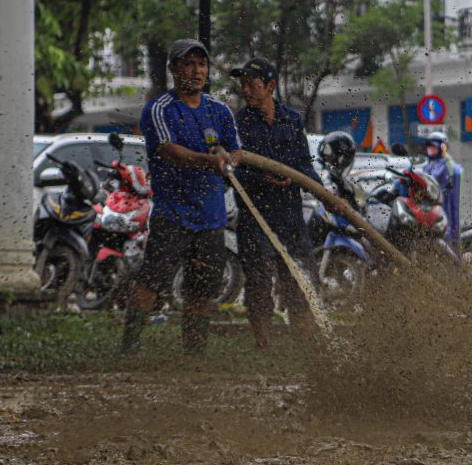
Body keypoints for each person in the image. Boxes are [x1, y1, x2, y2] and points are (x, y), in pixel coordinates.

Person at [122, 38, 243, 357]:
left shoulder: (220, 111)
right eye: (188, 64)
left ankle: (194, 351)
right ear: (174, 69)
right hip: (172, 214)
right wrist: (209, 160)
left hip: (211, 216)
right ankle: (130, 345)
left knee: (203, 287)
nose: (196, 70)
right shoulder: (160, 109)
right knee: (152, 280)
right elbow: (168, 151)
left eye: (201, 64)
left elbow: (236, 151)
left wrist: (230, 158)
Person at [231, 57, 322, 349]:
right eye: (243, 85)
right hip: (255, 216)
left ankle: (306, 343)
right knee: (258, 282)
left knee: (302, 280)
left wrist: (322, 193)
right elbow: (232, 172)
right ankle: (264, 344)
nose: (247, 90)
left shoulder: (292, 119)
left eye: (253, 85)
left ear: (270, 86)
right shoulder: (237, 123)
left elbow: (303, 167)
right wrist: (262, 177)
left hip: (289, 217)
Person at [422, 131, 463, 256]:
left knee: (448, 240)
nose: (430, 150)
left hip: (445, 207)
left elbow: (453, 202)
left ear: (442, 147)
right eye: (429, 147)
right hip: (428, 210)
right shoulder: (426, 165)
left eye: (433, 147)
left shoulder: (449, 167)